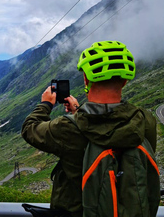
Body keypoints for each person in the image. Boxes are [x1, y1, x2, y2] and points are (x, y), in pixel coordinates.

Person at [21, 40, 158, 217]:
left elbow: (29, 128)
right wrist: (78, 112)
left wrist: (46, 104)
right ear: (125, 81)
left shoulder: (68, 128)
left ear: (86, 79)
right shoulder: (146, 121)